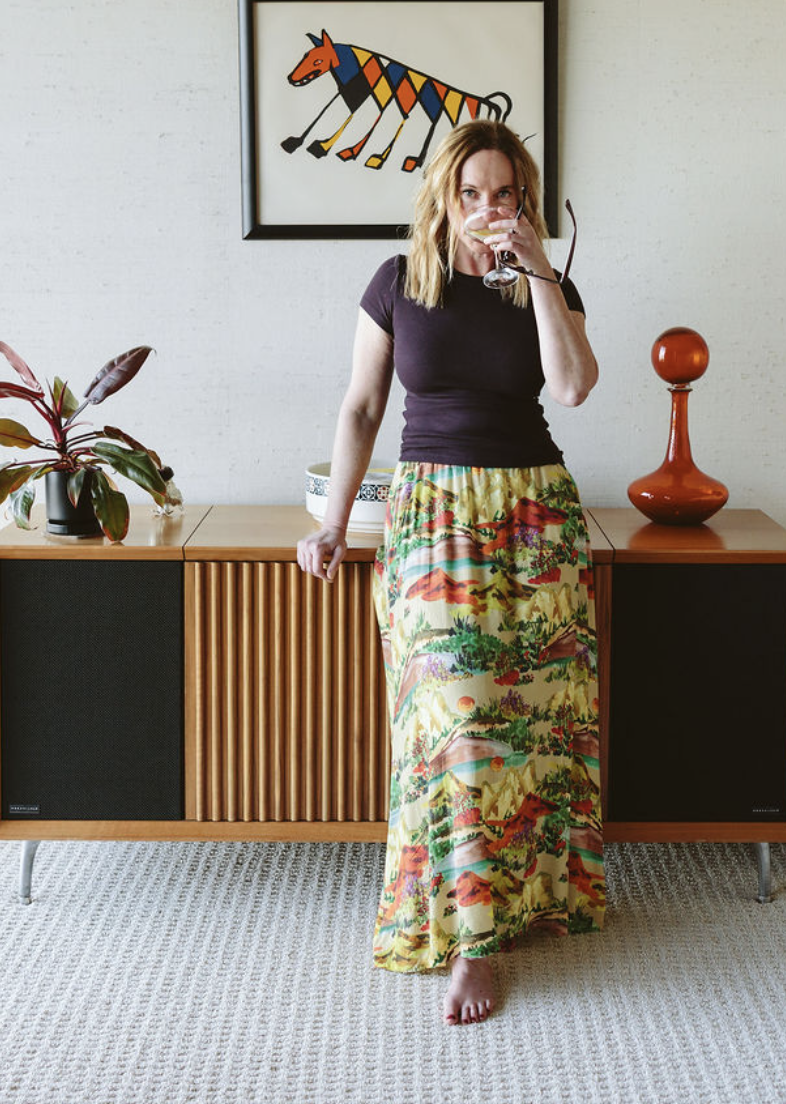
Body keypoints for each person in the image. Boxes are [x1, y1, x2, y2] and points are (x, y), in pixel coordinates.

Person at [295, 119, 602, 1026]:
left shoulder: (544, 280)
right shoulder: (399, 282)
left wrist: (541, 270)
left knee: (535, 729)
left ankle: (532, 901)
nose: (486, 209)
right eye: (469, 193)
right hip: (431, 514)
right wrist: (335, 522)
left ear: (524, 199)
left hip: (536, 516)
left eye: (503, 194)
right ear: (443, 195)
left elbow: (574, 388)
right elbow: (360, 409)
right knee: (456, 722)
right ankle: (473, 940)